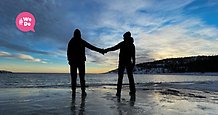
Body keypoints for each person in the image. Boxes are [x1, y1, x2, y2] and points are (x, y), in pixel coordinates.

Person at [67, 29, 104, 97]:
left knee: (75, 78)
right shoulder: (76, 41)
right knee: (79, 78)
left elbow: (68, 52)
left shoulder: (72, 41)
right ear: (79, 34)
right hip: (78, 62)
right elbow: (91, 47)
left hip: (76, 62)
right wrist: (100, 50)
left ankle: (77, 92)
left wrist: (100, 50)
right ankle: (80, 92)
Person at [104, 31, 136, 97]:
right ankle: (131, 91)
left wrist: (106, 50)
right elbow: (133, 56)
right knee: (129, 77)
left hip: (123, 62)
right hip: (127, 63)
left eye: (124, 37)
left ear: (127, 37)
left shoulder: (124, 44)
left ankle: (119, 92)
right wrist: (133, 63)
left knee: (121, 78)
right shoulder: (131, 45)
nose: (123, 38)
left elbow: (114, 48)